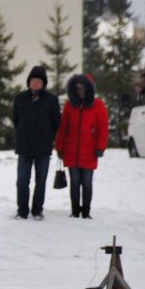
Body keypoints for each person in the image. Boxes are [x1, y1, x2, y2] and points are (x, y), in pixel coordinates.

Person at [55, 74, 108, 219]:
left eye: (83, 88)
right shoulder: (69, 105)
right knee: (75, 182)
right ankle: (75, 211)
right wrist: (60, 147)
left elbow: (103, 128)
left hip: (89, 152)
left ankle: (86, 212)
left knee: (87, 183)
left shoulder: (98, 105)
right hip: (71, 151)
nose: (80, 91)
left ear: (89, 88)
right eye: (77, 89)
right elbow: (63, 127)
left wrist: (100, 147)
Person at [11, 65, 61, 220]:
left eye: (38, 81)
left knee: (40, 181)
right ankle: (22, 210)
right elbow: (15, 119)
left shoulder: (51, 99)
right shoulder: (20, 98)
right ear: (28, 82)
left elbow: (56, 122)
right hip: (24, 147)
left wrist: (47, 136)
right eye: (33, 80)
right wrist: (22, 132)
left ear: (43, 83)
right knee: (22, 181)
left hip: (43, 148)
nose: (35, 83)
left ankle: (37, 210)